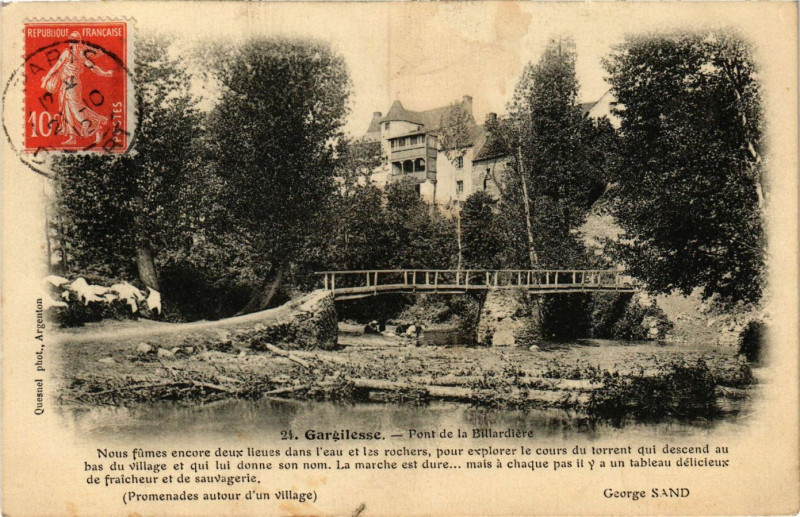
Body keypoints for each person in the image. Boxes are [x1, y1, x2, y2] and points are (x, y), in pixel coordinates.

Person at [40, 31, 113, 145]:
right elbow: (56, 67)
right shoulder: (67, 53)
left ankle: (91, 124)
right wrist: (46, 79)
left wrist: (105, 73)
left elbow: (93, 67)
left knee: (75, 107)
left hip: (73, 83)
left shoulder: (81, 54)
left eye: (75, 41)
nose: (72, 43)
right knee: (66, 109)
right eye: (71, 41)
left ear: (78, 42)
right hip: (65, 84)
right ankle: (72, 136)